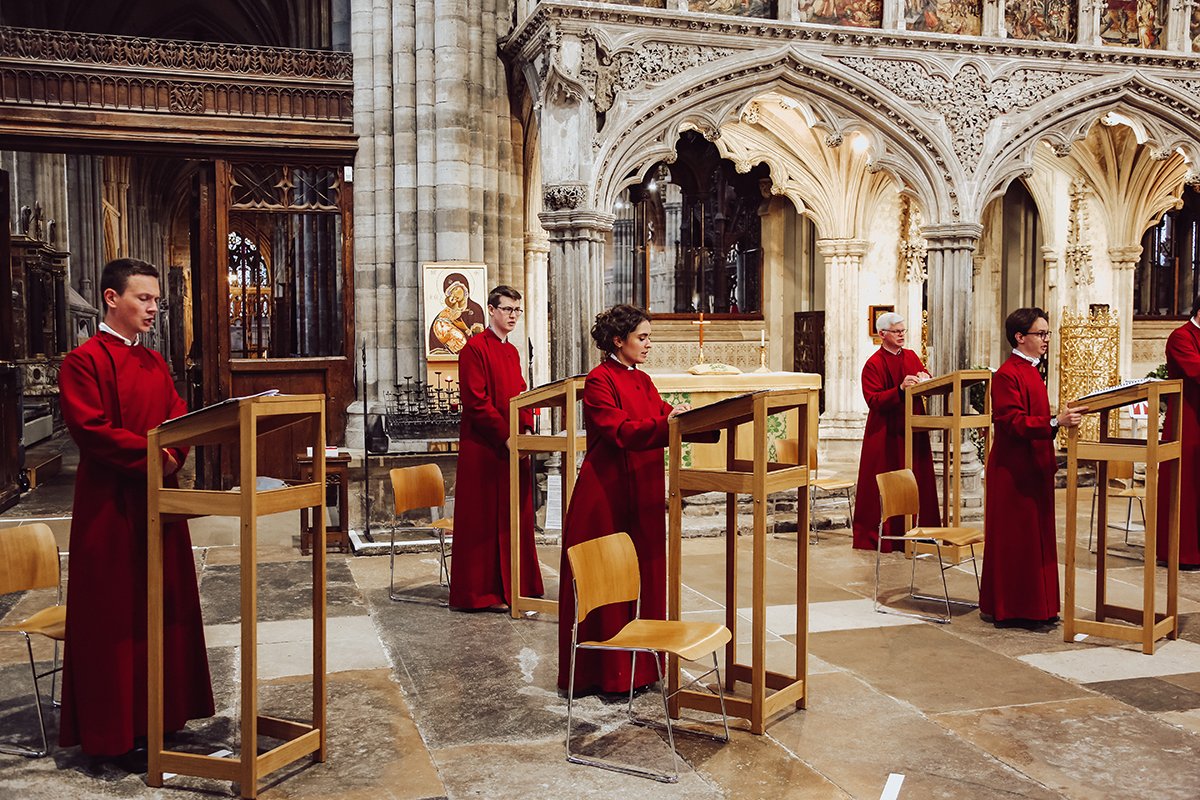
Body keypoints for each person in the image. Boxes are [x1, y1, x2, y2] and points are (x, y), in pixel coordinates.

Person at [58, 258, 214, 759]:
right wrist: (157, 459)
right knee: (114, 616)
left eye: (155, 300)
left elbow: (178, 416)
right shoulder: (82, 361)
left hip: (159, 501)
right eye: (143, 298)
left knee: (162, 607)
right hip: (109, 507)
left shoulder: (154, 362)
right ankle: (112, 731)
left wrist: (174, 455)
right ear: (111, 298)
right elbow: (92, 430)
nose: (153, 308)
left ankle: (162, 715)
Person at [557, 305, 691, 695]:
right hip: (607, 493)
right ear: (619, 341)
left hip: (645, 490)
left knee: (645, 575)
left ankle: (643, 670)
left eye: (649, 337)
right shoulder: (599, 381)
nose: (649, 344)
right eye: (642, 337)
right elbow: (619, 430)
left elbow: (662, 416)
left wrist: (682, 417)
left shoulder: (644, 381)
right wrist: (666, 423)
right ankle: (605, 673)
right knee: (608, 578)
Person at [979, 307, 1084, 627]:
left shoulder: (1031, 369)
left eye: (1048, 333)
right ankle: (1011, 608)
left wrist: (1057, 419)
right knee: (1016, 541)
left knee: (1036, 540)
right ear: (1019, 337)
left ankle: (1040, 606)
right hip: (1013, 472)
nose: (1046, 339)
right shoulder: (1007, 374)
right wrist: (1056, 421)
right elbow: (1011, 422)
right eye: (1041, 334)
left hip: (1033, 467)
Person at [448, 285, 544, 609]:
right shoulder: (473, 349)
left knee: (515, 518)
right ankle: (483, 593)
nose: (513, 316)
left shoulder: (513, 352)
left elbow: (522, 394)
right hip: (485, 449)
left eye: (517, 310)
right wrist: (506, 436)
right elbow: (476, 402)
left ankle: (517, 586)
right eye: (507, 309)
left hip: (514, 447)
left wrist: (527, 429)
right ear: (491, 310)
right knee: (484, 522)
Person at [851, 312, 941, 551]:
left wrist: (926, 378)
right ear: (882, 334)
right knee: (889, 479)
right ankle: (889, 535)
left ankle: (921, 531)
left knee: (917, 476)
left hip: (914, 427)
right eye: (897, 331)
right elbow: (873, 399)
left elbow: (926, 379)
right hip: (886, 433)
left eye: (903, 330)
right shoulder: (873, 364)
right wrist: (900, 389)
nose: (902, 334)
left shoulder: (911, 356)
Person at [1156, 293, 1200, 569]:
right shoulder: (1181, 336)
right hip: (1188, 419)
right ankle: (1182, 552)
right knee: (1185, 483)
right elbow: (1196, 370)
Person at [428, 272, 485, 355]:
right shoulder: (446, 313)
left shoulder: (475, 309)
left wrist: (465, 328)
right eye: (451, 292)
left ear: (464, 288)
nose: (454, 294)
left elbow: (479, 340)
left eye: (455, 289)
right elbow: (434, 338)